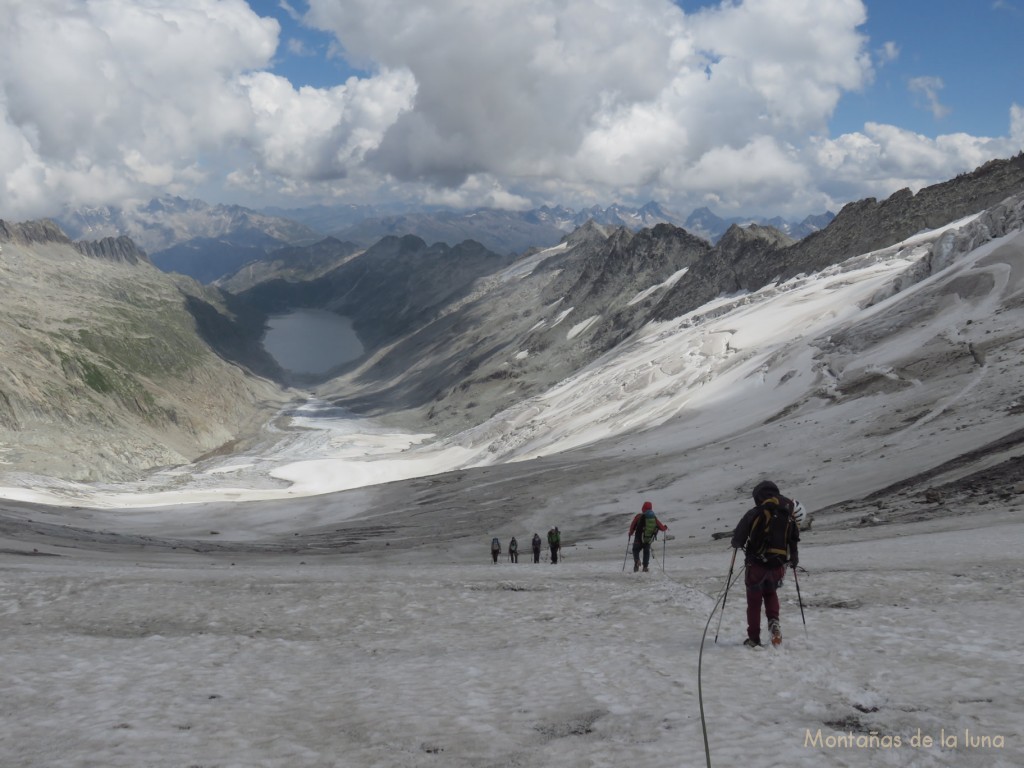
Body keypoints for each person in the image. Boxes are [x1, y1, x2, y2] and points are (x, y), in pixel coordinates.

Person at [730, 480, 800, 647]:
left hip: (756, 565)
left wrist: (737, 543)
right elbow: (793, 539)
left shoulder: (755, 512)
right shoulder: (786, 513)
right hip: (777, 565)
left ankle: (754, 639)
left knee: (754, 602)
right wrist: (794, 558)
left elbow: (738, 540)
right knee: (770, 593)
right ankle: (774, 623)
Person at [628, 501, 668, 572]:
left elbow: (633, 525)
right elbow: (661, 527)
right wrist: (664, 528)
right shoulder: (653, 518)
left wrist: (630, 533)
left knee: (635, 549)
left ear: (643, 508)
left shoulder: (639, 517)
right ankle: (645, 567)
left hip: (638, 538)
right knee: (646, 551)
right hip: (648, 539)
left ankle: (637, 561)